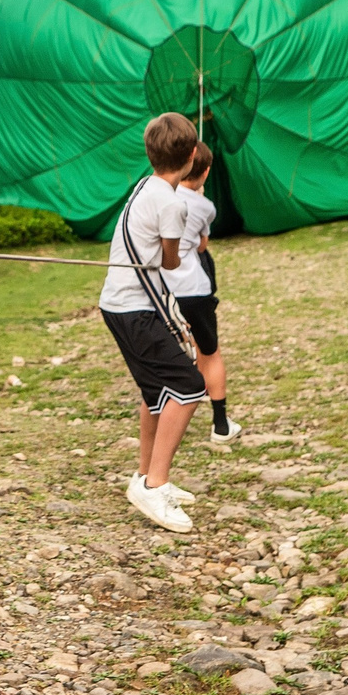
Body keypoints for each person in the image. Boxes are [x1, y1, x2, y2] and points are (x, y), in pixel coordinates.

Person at [100, 112, 207, 534]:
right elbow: (170, 258)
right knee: (189, 388)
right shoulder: (174, 203)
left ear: (149, 154)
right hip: (135, 309)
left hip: (118, 305)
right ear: (193, 154)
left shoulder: (145, 186)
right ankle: (155, 484)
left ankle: (145, 476)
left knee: (158, 392)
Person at [175, 143, 237, 446]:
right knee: (209, 353)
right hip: (195, 291)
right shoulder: (205, 207)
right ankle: (221, 424)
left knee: (171, 356)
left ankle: (169, 422)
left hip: (161, 291)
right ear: (206, 171)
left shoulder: (156, 196)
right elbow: (201, 246)